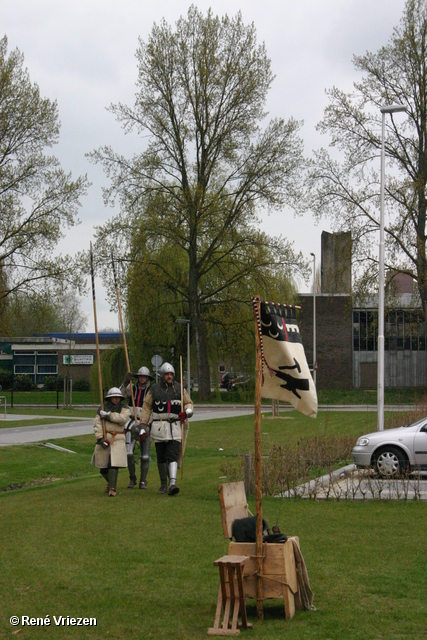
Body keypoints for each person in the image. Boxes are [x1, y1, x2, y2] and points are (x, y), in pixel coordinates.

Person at [139, 362, 194, 496]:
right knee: (161, 457)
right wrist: (142, 426)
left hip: (175, 426)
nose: (169, 376)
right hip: (159, 427)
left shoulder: (180, 389)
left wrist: (186, 412)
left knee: (173, 454)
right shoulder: (154, 389)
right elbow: (146, 408)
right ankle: (163, 484)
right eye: (167, 374)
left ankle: (172, 483)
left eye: (171, 374)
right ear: (162, 375)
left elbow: (189, 403)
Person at [91, 387, 131, 497]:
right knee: (103, 468)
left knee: (113, 465)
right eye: (114, 397)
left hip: (118, 438)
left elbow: (122, 419)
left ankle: (112, 488)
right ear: (110, 398)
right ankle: (110, 482)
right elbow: (97, 424)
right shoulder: (102, 408)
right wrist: (100, 438)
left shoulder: (124, 408)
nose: (116, 399)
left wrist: (108, 415)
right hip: (105, 438)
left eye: (118, 397)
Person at [120, 366, 154, 489]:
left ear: (147, 378)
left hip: (144, 421)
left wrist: (149, 423)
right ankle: (132, 478)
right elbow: (119, 395)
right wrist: (124, 381)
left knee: (144, 455)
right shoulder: (131, 387)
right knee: (129, 453)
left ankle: (143, 481)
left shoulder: (152, 391)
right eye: (140, 376)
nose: (142, 379)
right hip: (130, 422)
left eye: (144, 377)